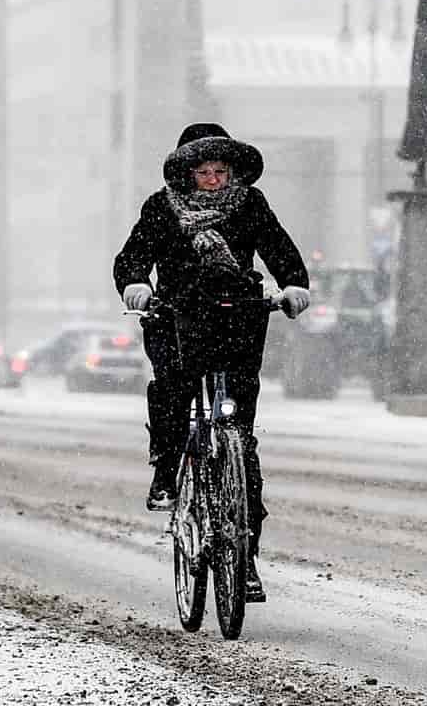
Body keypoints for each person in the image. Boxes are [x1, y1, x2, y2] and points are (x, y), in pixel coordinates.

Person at [114, 123, 310, 604]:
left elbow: (278, 248)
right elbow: (133, 256)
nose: (214, 179)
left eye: (221, 170)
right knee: (173, 390)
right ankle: (166, 470)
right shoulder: (161, 208)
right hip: (178, 315)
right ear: (188, 172)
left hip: (236, 316)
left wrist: (293, 284)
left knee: (240, 435)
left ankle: (245, 559)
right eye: (204, 171)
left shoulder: (250, 205)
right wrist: (137, 284)